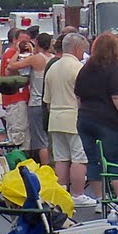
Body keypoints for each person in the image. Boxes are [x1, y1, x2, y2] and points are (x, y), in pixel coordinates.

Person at [75, 32, 118, 202]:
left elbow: (78, 95)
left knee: (93, 159)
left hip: (85, 118)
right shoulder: (114, 68)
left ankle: (100, 199)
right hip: (108, 120)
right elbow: (117, 97)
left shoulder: (85, 68)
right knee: (116, 158)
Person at [44, 33, 88, 196]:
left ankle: (62, 193)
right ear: (76, 48)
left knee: (61, 158)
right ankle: (78, 194)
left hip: (55, 117)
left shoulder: (52, 67)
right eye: (83, 48)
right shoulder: (79, 68)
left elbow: (47, 101)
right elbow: (82, 97)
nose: (83, 53)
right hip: (74, 118)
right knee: (79, 158)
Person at [9, 32, 53, 165]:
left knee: (41, 141)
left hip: (36, 103)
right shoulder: (52, 58)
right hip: (49, 102)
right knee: (49, 139)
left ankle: (45, 169)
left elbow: (11, 66)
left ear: (37, 43)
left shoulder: (36, 59)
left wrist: (17, 52)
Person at [0, 28, 33, 150]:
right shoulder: (11, 54)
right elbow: (9, 71)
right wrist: (19, 53)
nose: (25, 45)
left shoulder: (26, 55)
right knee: (19, 134)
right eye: (22, 41)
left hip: (21, 100)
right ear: (14, 40)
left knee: (24, 134)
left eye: (27, 42)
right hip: (16, 100)